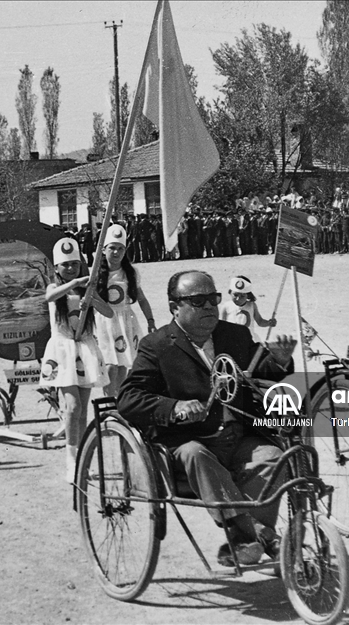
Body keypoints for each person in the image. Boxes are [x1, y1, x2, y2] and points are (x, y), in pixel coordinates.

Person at [118, 270, 297, 567]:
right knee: (196, 455)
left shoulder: (234, 334)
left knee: (274, 456)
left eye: (213, 299)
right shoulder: (156, 345)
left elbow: (258, 370)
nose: (210, 308)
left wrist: (279, 360)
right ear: (175, 307)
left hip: (236, 436)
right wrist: (175, 407)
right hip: (188, 443)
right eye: (198, 301)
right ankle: (259, 536)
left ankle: (247, 539)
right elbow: (128, 398)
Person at [40, 237, 113, 481]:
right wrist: (75, 283)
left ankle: (81, 459)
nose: (70, 268)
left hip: (84, 349)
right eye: (65, 265)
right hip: (63, 351)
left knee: (82, 411)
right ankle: (70, 462)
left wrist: (91, 298)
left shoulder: (87, 289)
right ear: (57, 268)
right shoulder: (54, 287)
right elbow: (49, 298)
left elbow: (109, 312)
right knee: (72, 407)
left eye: (74, 264)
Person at [93, 225, 155, 398]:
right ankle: (108, 403)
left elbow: (141, 299)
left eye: (120, 248)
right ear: (104, 249)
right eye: (112, 248)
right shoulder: (96, 273)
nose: (116, 252)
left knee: (122, 366)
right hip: (104, 323)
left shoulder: (130, 272)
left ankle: (120, 404)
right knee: (109, 366)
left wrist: (150, 321)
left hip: (125, 321)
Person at [219, 275, 275, 342]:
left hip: (248, 341)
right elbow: (222, 327)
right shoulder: (226, 306)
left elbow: (260, 321)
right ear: (230, 292)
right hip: (232, 341)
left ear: (248, 295)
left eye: (242, 296)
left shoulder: (252, 305)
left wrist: (269, 323)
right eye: (235, 295)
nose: (238, 299)